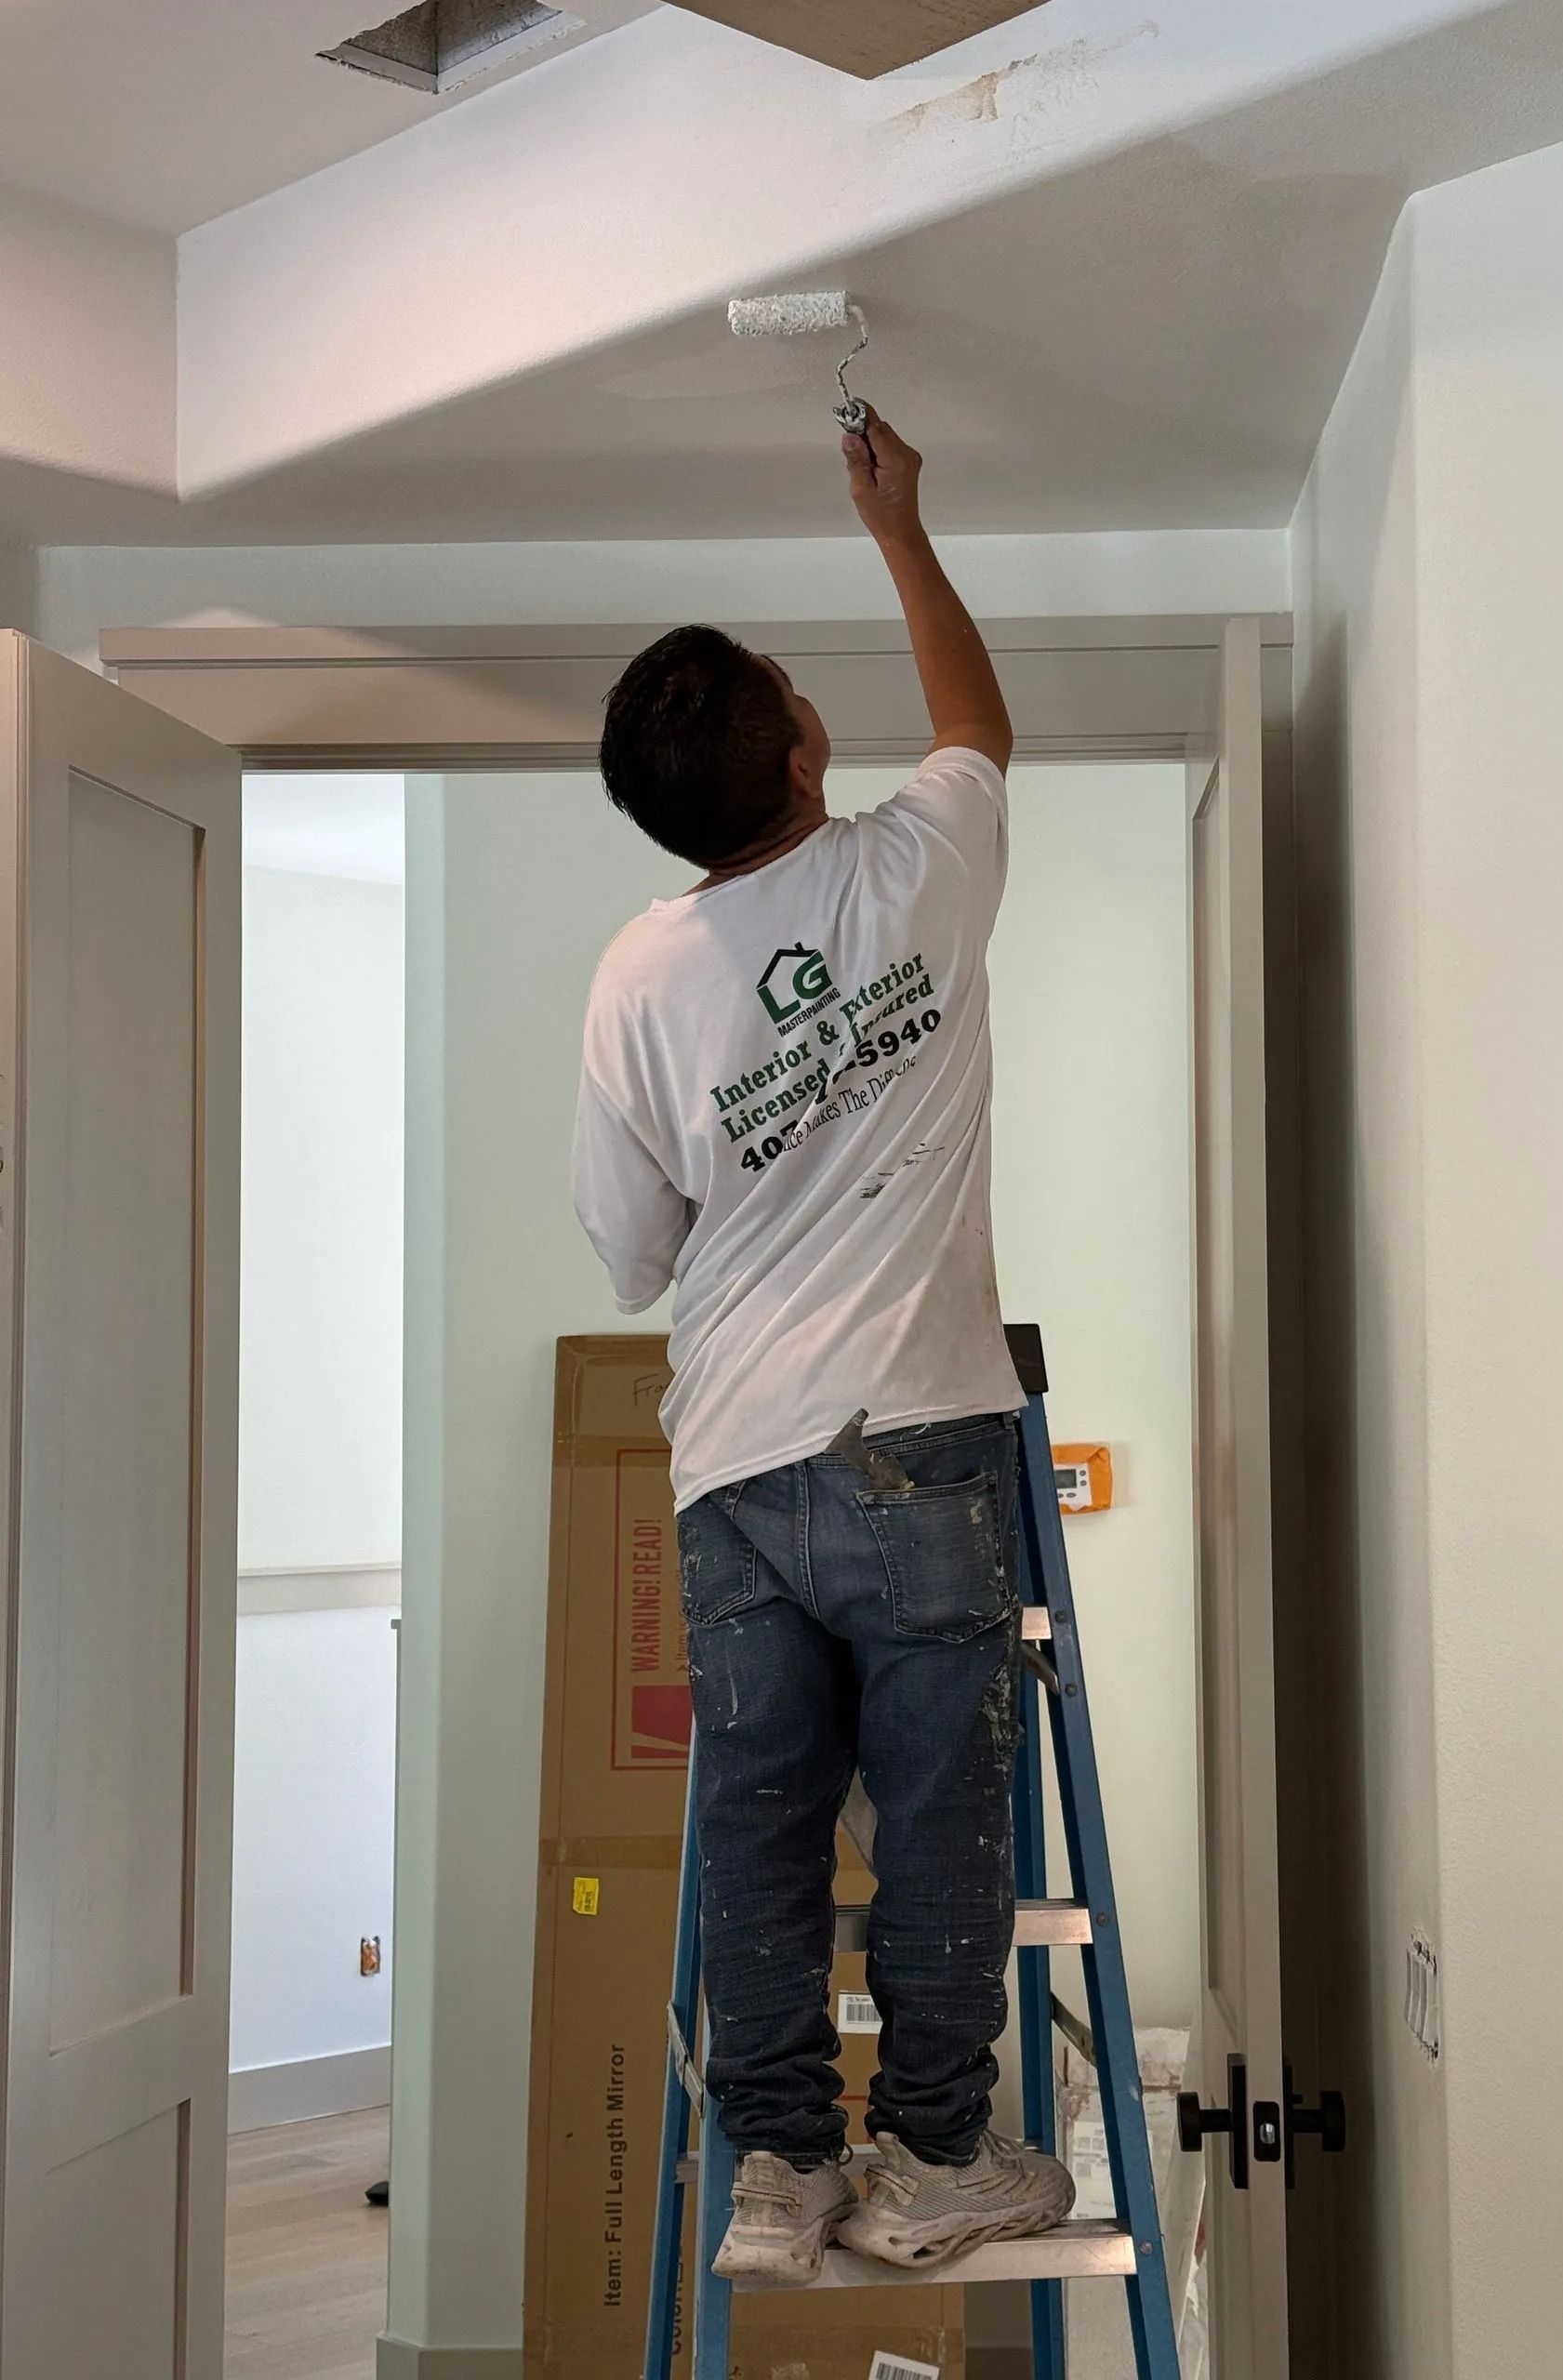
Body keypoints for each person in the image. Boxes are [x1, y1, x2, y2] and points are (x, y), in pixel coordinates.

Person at [573, 412, 1075, 2284]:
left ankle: (781, 2164)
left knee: (765, 1818)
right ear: (798, 749)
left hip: (735, 1467)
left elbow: (632, 1245)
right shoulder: (910, 871)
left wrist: (757, 1147)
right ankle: (937, 2153)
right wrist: (900, 527)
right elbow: (978, 726)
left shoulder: (639, 973)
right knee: (941, 1809)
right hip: (920, 1434)